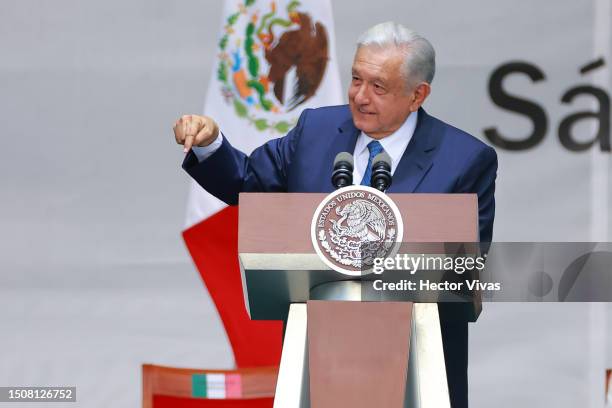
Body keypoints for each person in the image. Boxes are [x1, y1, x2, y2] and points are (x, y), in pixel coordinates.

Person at [174, 21, 497, 408]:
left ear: (417, 95)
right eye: (356, 79)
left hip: (415, 371)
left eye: (378, 87)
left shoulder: (464, 159)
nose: (360, 96)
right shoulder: (317, 130)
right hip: (318, 363)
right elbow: (248, 182)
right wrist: (211, 144)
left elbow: (463, 266)